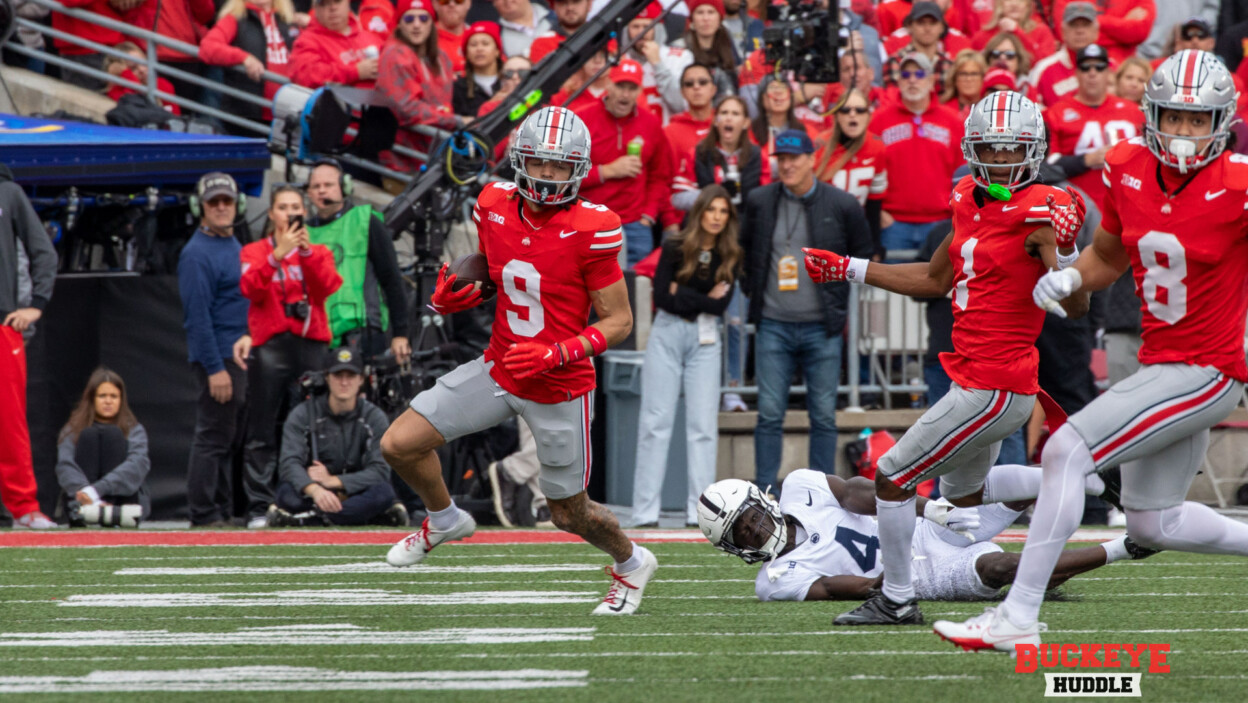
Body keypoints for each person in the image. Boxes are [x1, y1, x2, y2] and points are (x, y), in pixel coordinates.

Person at [935, 49, 1248, 652]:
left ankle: (1016, 618)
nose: (1183, 132)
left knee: (1065, 451)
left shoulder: (1238, 185)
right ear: (1151, 114)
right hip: (1164, 363)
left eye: (1196, 120)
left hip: (1205, 368)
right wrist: (1072, 277)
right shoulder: (1127, 166)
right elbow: (1107, 256)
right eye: (1173, 117)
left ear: (1222, 122)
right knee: (1157, 521)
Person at [803, 91, 1090, 626]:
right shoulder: (965, 195)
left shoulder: (1044, 211)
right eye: (991, 149)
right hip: (977, 377)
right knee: (963, 501)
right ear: (971, 148)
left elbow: (1076, 306)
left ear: (1034, 150)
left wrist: (1068, 254)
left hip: (995, 383)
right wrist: (850, 268)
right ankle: (1074, 478)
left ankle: (896, 597)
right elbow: (936, 279)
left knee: (891, 477)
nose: (1001, 161)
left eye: (1012, 150)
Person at [380, 106, 659, 616]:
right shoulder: (492, 203)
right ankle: (444, 518)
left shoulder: (593, 228)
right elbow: (501, 270)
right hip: (500, 367)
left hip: (560, 384)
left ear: (578, 169)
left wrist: (558, 350)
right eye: (539, 163)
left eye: (559, 166)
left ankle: (631, 561)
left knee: (568, 514)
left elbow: (618, 321)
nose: (548, 175)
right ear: (519, 161)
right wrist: (459, 294)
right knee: (399, 444)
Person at [697, 471, 1155, 603]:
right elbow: (841, 588)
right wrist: (890, 586)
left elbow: (862, 493)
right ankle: (1128, 546)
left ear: (764, 500)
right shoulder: (774, 580)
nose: (754, 529)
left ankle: (1095, 479)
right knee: (1003, 569)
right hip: (918, 571)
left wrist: (933, 508)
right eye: (741, 531)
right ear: (733, 546)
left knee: (985, 486)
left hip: (920, 527)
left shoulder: (801, 487)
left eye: (750, 516)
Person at [741, 129, 873, 496]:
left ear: (812, 158)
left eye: (794, 158)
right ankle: (764, 493)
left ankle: (821, 497)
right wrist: (751, 289)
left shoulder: (842, 203)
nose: (787, 165)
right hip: (773, 323)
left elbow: (864, 253)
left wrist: (838, 297)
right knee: (768, 414)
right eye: (781, 158)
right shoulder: (759, 200)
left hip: (823, 325)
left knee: (824, 416)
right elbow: (745, 249)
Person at [631, 186, 741, 528]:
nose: (717, 217)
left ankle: (701, 513)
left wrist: (688, 294)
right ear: (700, 212)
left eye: (723, 211)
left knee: (702, 426)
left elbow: (720, 306)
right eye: (712, 210)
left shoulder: (730, 252)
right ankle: (644, 513)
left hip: (706, 337)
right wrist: (703, 296)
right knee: (655, 421)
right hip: (667, 331)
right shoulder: (675, 245)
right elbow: (662, 297)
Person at [238, 185, 343, 528]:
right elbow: (250, 289)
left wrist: (306, 253)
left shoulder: (319, 251)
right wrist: (276, 256)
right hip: (270, 348)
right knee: (262, 429)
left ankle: (304, 498)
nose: (289, 213)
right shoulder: (255, 251)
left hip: (310, 345)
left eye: (295, 206)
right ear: (271, 213)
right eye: (282, 207)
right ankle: (258, 506)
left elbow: (328, 287)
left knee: (311, 427)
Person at [178, 172, 251, 528]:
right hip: (220, 357)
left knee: (226, 438)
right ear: (200, 207)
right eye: (214, 202)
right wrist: (214, 368)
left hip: (235, 355)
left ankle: (221, 510)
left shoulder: (231, 243)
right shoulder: (197, 254)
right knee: (212, 437)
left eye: (227, 201)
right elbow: (197, 318)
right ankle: (204, 514)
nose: (222, 207)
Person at [269, 347, 406, 527]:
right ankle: (360, 517)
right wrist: (316, 490)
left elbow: (380, 470)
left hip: (355, 490)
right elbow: (289, 463)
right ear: (327, 377)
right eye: (337, 376)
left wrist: (334, 481)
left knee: (383, 493)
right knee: (286, 493)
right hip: (314, 490)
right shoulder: (303, 413)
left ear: (360, 380)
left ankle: (308, 519)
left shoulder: (374, 417)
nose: (344, 382)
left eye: (350, 376)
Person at [0, 162, 58, 529]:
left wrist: (36, 304)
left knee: (10, 421)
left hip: (1, 325)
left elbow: (44, 252)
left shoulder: (8, 192)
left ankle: (24, 506)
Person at [305, 159, 412, 358]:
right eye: (316, 186)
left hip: (363, 333)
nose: (322, 191)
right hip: (317, 336)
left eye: (328, 185)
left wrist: (400, 334)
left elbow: (391, 278)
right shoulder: (302, 232)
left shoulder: (365, 221)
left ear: (344, 187)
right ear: (309, 193)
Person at [576, 59, 676, 267]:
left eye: (632, 88)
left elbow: (660, 175)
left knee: (635, 291)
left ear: (640, 90)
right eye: (620, 86)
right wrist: (607, 171)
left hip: (635, 225)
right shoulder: (582, 120)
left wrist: (648, 215)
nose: (625, 94)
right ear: (608, 85)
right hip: (590, 222)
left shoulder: (650, 123)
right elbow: (566, 176)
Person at [869, 52, 965, 257]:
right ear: (899, 81)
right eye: (906, 74)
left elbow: (964, 174)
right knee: (893, 285)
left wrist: (955, 215)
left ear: (931, 81)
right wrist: (877, 212)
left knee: (939, 286)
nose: (912, 80)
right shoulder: (879, 121)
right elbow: (870, 169)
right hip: (893, 223)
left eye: (919, 74)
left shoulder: (953, 121)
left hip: (941, 222)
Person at [1042, 44, 1144, 211]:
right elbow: (1046, 165)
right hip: (1075, 207)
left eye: (1099, 67)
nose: (1092, 73)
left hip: (1127, 205)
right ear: (1076, 73)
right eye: (1085, 67)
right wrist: (1085, 160)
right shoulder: (1056, 114)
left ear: (1108, 72)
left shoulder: (1134, 112)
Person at [377, 0, 462, 176]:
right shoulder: (394, 54)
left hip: (434, 156)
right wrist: (455, 120)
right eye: (409, 19)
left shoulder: (441, 57)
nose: (417, 25)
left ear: (432, 22)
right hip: (402, 161)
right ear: (399, 23)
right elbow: (406, 109)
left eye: (423, 18)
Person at [55, 368, 151, 522]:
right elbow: (65, 465)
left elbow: (137, 465)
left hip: (123, 506)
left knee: (113, 435)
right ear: (92, 398)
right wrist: (85, 494)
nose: (108, 401)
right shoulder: (72, 428)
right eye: (102, 396)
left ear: (121, 399)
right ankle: (92, 511)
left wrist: (94, 491)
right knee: (88, 435)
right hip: (81, 504)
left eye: (113, 396)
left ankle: (108, 510)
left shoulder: (134, 429)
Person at [199, 0, 299, 132]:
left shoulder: (289, 22)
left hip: (287, 117)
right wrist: (243, 57)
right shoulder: (235, 18)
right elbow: (208, 48)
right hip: (247, 117)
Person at [812, 88, 887, 258]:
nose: (852, 115)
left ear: (868, 115)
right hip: (823, 230)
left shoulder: (877, 147)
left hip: (858, 231)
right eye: (845, 110)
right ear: (837, 115)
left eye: (860, 110)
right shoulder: (819, 145)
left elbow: (874, 203)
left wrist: (875, 245)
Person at [672, 95, 766, 211]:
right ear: (715, 120)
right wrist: (713, 197)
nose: (728, 118)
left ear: (746, 123)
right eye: (724, 113)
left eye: (735, 114)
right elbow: (678, 198)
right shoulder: (698, 153)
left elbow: (766, 198)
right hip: (706, 224)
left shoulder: (758, 155)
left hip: (746, 224)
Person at [288, 0, 384, 90]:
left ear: (348, 2)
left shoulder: (369, 37)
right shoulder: (306, 41)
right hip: (339, 105)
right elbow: (305, 75)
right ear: (315, 8)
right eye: (325, 3)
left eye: (337, 1)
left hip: (379, 103)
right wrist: (355, 71)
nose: (333, 8)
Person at [882, 1, 964, 95]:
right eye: (921, 23)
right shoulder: (896, 62)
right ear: (909, 26)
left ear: (942, 27)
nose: (927, 28)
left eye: (933, 23)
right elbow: (894, 100)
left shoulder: (950, 65)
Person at [1027, 2, 1099, 108]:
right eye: (1073, 25)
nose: (1079, 31)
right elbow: (1031, 113)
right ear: (1063, 31)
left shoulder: (1109, 67)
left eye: (1085, 25)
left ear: (1096, 32)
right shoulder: (1043, 70)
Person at [1049, 0, 1154, 66]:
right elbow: (1066, 33)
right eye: (1086, 24)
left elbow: (1139, 32)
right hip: (1074, 66)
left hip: (1122, 73)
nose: (1081, 30)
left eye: (1086, 24)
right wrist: (1122, 25)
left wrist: (1096, 24)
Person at [670, 0, 740, 96]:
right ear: (692, 19)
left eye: (711, 12)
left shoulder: (728, 44)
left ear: (720, 19)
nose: (706, 18)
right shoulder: (679, 48)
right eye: (700, 12)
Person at [665, 64, 718, 181]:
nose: (696, 87)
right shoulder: (669, 133)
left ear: (713, 89)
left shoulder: (726, 123)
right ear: (682, 92)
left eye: (703, 82)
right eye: (689, 84)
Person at [104, 42, 182, 115]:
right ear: (119, 72)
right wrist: (127, 75)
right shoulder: (116, 92)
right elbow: (133, 104)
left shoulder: (162, 84)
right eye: (133, 68)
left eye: (144, 63)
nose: (142, 69)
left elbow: (176, 119)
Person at [970, 0, 1056, 61]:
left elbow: (1044, 65)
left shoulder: (1042, 31)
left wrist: (1017, 32)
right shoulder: (982, 37)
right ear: (999, 3)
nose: (1014, 4)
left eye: (1020, 1)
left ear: (1028, 5)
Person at [452, 21, 504, 119]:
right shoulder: (458, 88)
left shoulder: (509, 82)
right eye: (473, 45)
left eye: (485, 43)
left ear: (497, 51)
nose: (479, 49)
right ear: (466, 54)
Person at [942, 49, 988, 117]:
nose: (968, 79)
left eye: (974, 74)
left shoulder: (991, 109)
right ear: (955, 78)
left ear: (983, 77)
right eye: (963, 74)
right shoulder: (943, 111)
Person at [435, 0, 472, 73]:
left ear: (468, 3)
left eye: (458, 1)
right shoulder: (425, 40)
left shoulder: (480, 37)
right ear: (435, 4)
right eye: (445, 1)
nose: (451, 4)